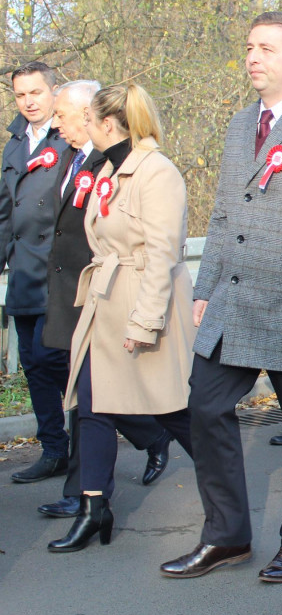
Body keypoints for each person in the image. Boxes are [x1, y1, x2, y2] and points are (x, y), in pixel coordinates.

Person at [161, 12, 282, 581]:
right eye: (249, 47)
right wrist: (206, 287)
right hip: (234, 300)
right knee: (205, 408)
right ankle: (226, 536)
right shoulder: (239, 123)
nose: (252, 57)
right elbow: (223, 212)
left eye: (266, 48)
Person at [47, 83, 195, 553]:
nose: (79, 129)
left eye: (87, 121)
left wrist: (144, 321)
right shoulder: (110, 167)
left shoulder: (157, 172)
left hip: (140, 304)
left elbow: (161, 254)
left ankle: (224, 489)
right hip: (105, 303)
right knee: (90, 406)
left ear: (107, 124)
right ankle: (94, 509)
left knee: (173, 411)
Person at [2, 62, 72, 483]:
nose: (28, 101)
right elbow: (5, 213)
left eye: (36, 93)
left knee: (54, 358)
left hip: (58, 271)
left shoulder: (68, 139)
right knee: (33, 364)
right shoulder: (14, 144)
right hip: (23, 271)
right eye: (20, 95)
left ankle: (138, 431)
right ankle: (53, 449)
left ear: (53, 92)